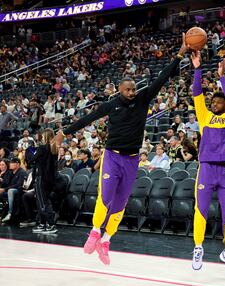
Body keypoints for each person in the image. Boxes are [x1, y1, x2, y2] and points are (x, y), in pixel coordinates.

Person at [54, 33, 188, 265]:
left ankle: (105, 241)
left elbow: (162, 77)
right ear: (120, 90)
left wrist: (180, 53)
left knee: (120, 204)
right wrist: (64, 132)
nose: (132, 92)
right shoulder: (111, 105)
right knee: (105, 198)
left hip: (132, 159)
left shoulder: (143, 98)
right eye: (128, 90)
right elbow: (87, 119)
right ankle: (95, 231)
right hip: (113, 157)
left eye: (134, 89)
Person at [191, 52, 225, 273]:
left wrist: (221, 77)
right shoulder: (204, 116)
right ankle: (198, 247)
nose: (216, 102)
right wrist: (198, 69)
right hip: (207, 169)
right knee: (200, 210)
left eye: (220, 101)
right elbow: (197, 93)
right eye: (213, 101)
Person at [27, 129, 59, 234]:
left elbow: (31, 159)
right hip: (50, 178)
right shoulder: (54, 148)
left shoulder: (42, 148)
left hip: (41, 177)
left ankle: (51, 224)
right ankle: (43, 223)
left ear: (44, 136)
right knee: (43, 201)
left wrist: (30, 149)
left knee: (42, 202)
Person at [0, 157, 27, 223]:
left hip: (20, 191)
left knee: (10, 191)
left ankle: (10, 212)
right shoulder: (12, 172)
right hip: (11, 190)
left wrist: (4, 189)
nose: (10, 164)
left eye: (12, 163)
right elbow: (8, 183)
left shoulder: (21, 172)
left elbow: (19, 184)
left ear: (17, 164)